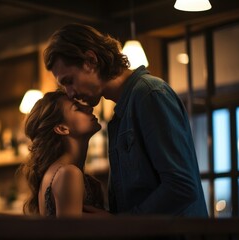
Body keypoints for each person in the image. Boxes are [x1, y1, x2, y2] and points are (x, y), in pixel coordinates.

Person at [43, 23, 208, 217]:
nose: (70, 94)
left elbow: (182, 187)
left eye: (69, 81)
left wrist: (120, 224)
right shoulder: (122, 112)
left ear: (90, 60)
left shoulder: (149, 94)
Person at [20, 90, 105, 217]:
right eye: (77, 108)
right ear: (62, 129)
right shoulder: (69, 173)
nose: (89, 108)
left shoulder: (58, 171)